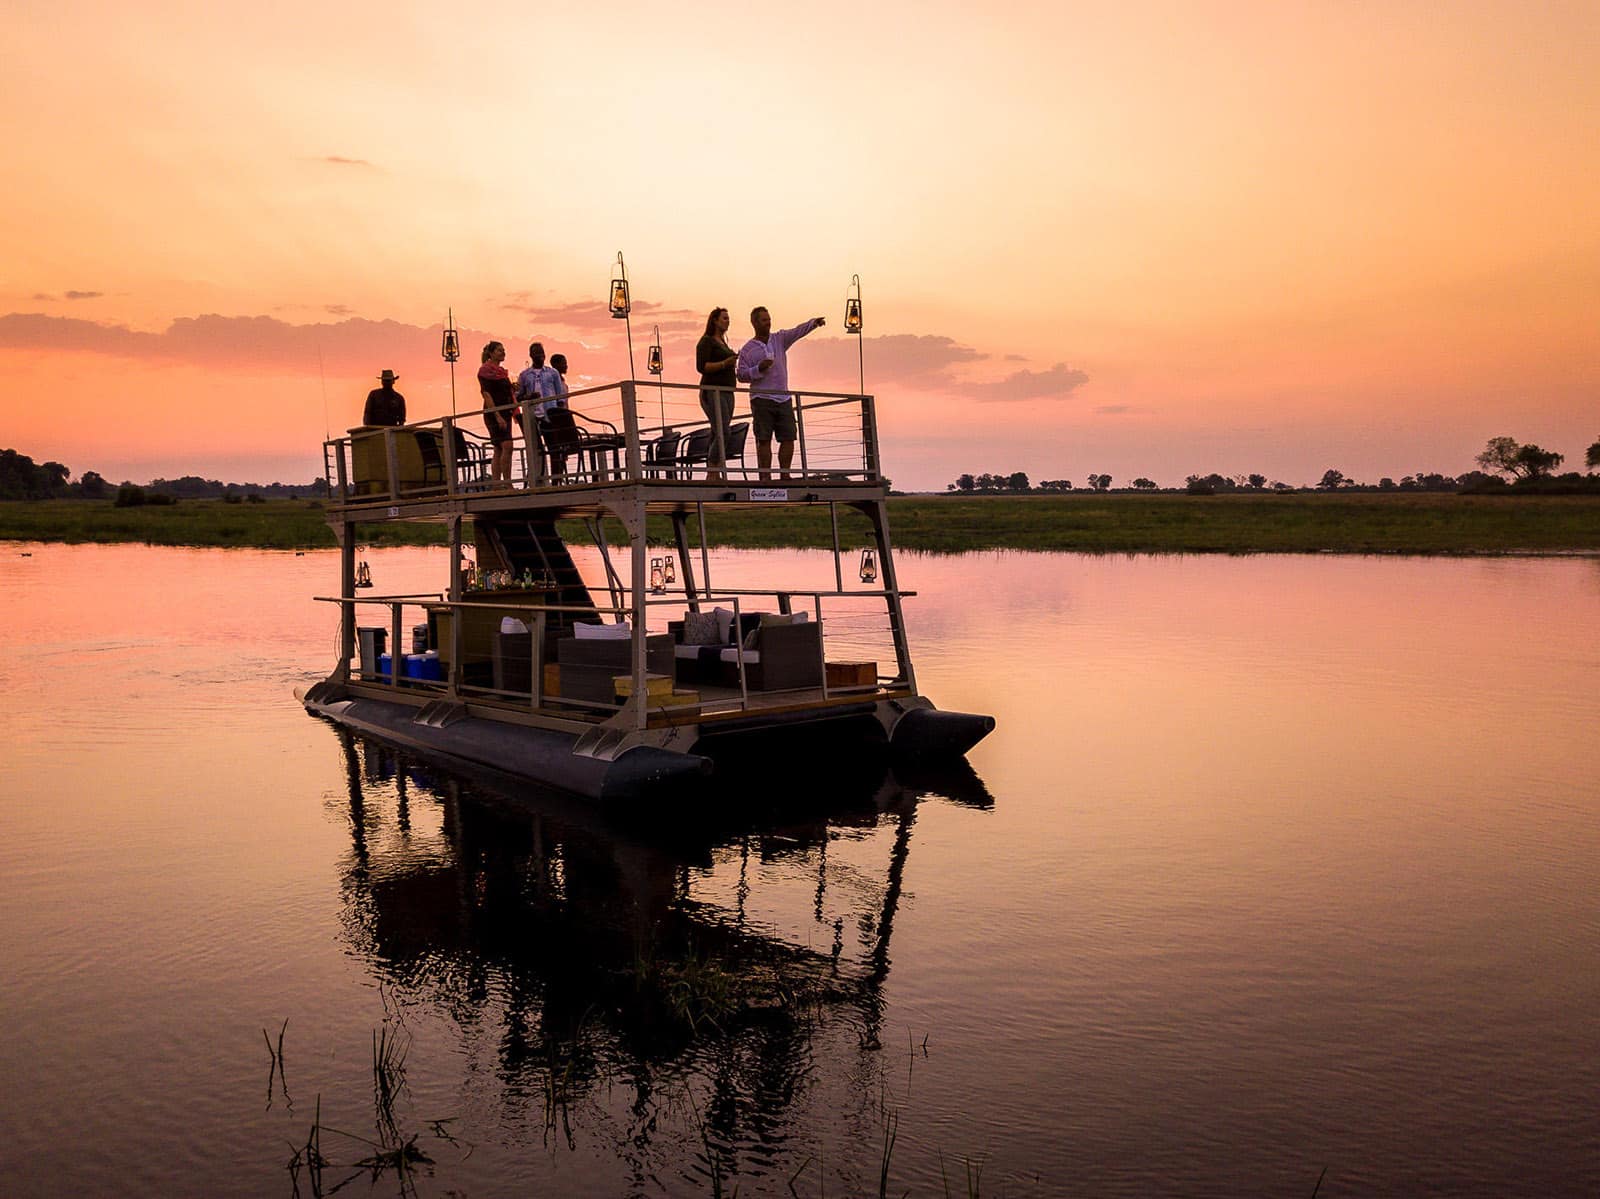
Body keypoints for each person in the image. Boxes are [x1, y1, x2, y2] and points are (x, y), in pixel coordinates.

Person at [736, 306, 825, 481]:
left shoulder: (780, 339)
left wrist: (813, 323)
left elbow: (797, 331)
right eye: (764, 320)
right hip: (761, 398)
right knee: (763, 439)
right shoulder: (747, 349)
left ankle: (785, 474)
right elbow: (740, 375)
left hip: (783, 397)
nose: (768, 323)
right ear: (754, 323)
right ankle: (765, 477)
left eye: (769, 319)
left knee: (789, 436)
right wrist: (758, 368)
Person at [696, 308, 739, 482]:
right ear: (714, 320)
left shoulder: (722, 341)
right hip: (713, 391)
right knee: (723, 431)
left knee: (718, 430)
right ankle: (712, 471)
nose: (727, 321)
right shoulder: (706, 342)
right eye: (724, 318)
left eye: (728, 318)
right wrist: (724, 363)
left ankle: (714, 471)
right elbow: (701, 367)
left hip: (727, 391)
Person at [516, 342, 570, 480]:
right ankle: (537, 478)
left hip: (550, 415)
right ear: (531, 355)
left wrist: (561, 416)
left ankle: (556, 479)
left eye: (542, 353)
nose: (540, 356)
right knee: (535, 450)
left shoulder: (552, 373)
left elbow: (560, 397)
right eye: (537, 353)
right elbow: (519, 396)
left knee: (554, 448)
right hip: (533, 416)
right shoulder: (524, 375)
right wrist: (529, 397)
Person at [478, 341, 515, 484]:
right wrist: (497, 415)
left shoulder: (501, 372)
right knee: (507, 445)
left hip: (505, 411)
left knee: (499, 448)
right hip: (494, 413)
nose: (503, 352)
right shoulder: (485, 371)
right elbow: (486, 394)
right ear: (491, 353)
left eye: (503, 350)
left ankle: (497, 484)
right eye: (500, 350)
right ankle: (506, 482)